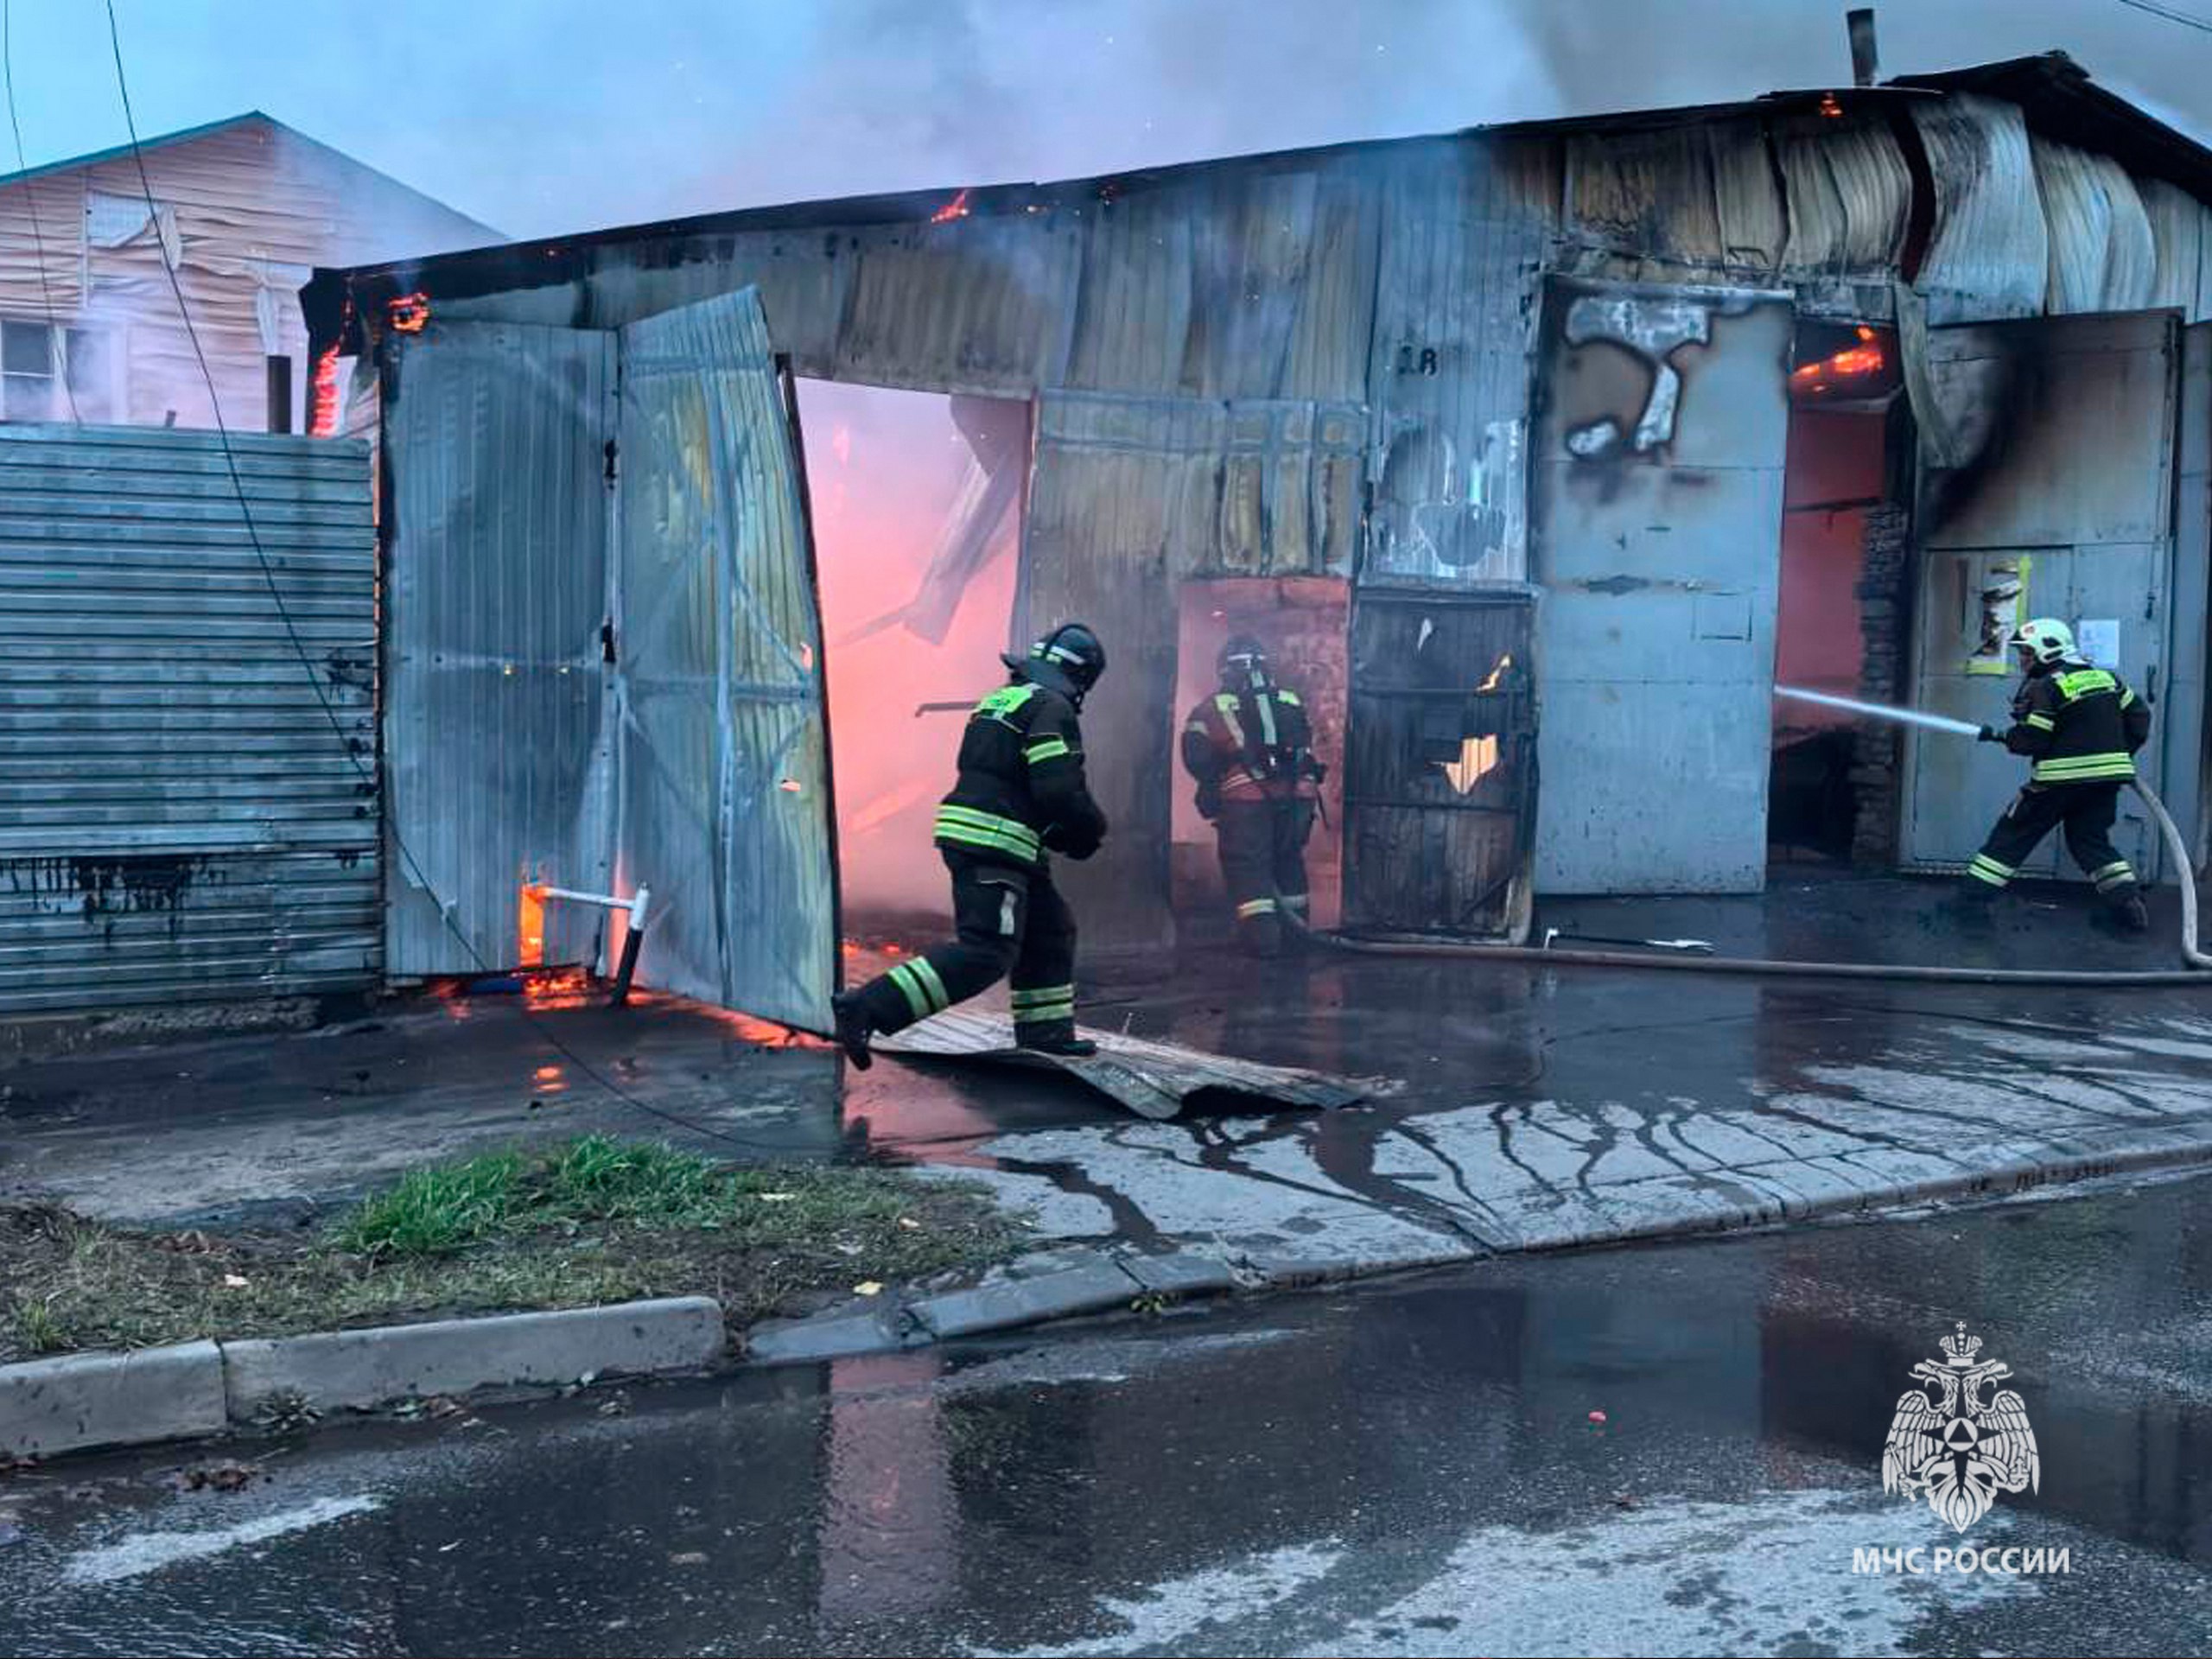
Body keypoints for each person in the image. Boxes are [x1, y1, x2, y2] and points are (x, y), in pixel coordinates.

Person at [830, 623, 1109, 1069]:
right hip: (996, 841)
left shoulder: (1005, 699)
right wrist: (1088, 829)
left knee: (1051, 930)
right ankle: (867, 1007)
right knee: (985, 950)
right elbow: (1057, 788)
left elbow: (1011, 778)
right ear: (1080, 678)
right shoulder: (1052, 707)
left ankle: (1046, 1033)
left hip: (1000, 838)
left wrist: (1053, 832)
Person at [1961, 617, 2152, 933]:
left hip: (2056, 782)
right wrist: (2119, 755)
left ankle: (1969, 905)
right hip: (2105, 782)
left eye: (2026, 653)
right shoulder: (2108, 679)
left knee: (2012, 835)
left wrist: (2002, 736)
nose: (2022, 660)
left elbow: (2034, 740)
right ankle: (2127, 904)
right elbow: (2140, 717)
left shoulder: (2048, 686)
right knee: (2090, 841)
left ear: (2048, 651)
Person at [1180, 633, 1325, 956]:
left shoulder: (1210, 708)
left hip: (1247, 802)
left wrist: (1213, 786)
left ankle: (1263, 944)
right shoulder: (1290, 699)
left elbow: (1197, 758)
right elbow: (1306, 743)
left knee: (1250, 869)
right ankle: (1297, 940)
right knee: (1288, 861)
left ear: (1225, 672)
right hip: (1299, 797)